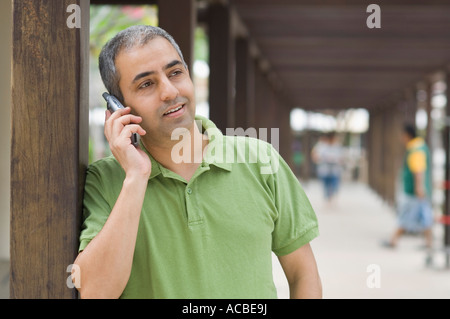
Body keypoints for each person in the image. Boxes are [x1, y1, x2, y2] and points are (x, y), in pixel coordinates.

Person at [73, 25, 321, 299]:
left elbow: (303, 274)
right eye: (146, 84)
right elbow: (95, 292)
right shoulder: (104, 180)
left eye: (175, 72)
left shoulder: (261, 161)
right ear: (118, 108)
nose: (169, 91)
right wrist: (135, 177)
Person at [384, 124, 433, 250]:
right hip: (420, 189)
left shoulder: (415, 149)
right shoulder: (420, 146)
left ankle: (393, 240)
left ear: (407, 135)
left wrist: (419, 187)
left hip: (414, 190)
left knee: (406, 215)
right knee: (425, 215)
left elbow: (418, 169)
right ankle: (429, 243)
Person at [311, 132, 344, 204]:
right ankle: (328, 198)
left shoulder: (337, 145)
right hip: (324, 169)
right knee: (325, 185)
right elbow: (315, 155)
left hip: (335, 169)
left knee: (334, 184)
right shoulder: (321, 145)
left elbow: (342, 157)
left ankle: (331, 197)